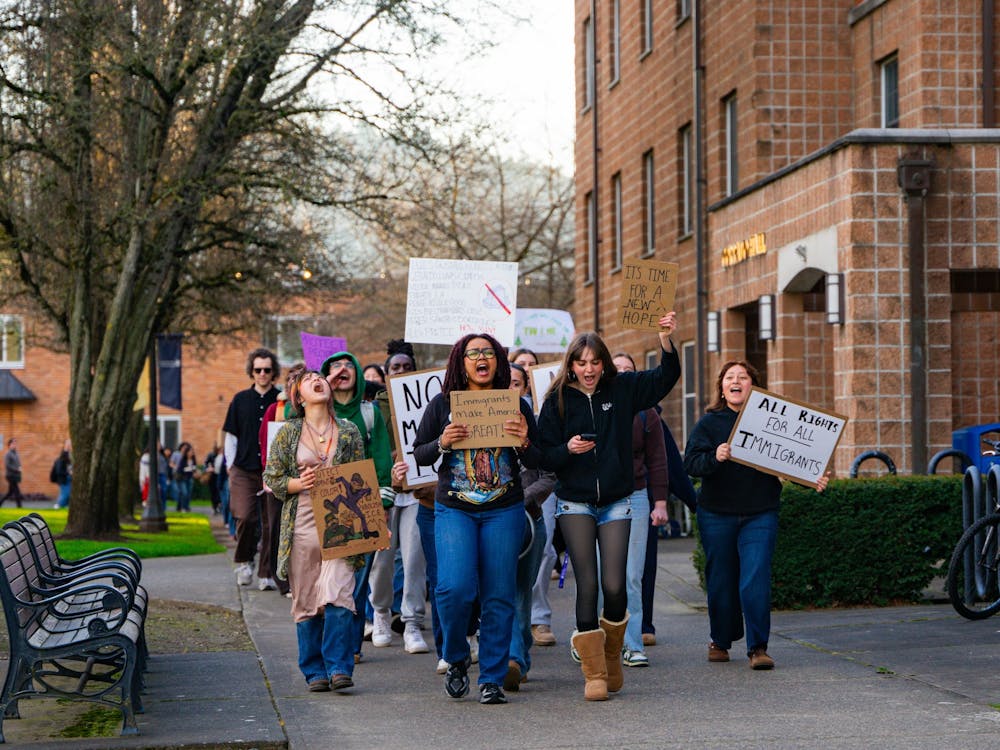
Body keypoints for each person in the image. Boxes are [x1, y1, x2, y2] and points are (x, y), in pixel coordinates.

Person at [536, 313, 679, 701]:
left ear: (603, 364)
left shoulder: (623, 390)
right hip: (574, 502)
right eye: (580, 363)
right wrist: (567, 449)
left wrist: (664, 339)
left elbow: (664, 379)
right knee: (589, 584)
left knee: (616, 587)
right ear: (571, 365)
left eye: (594, 363)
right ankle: (594, 671)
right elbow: (541, 454)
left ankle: (613, 652)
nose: (588, 370)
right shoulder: (557, 400)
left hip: (617, 500)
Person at [413, 333, 542, 705]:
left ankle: (491, 678)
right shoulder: (442, 405)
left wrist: (524, 442)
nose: (482, 358)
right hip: (455, 508)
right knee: (453, 589)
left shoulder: (515, 405)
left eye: (489, 352)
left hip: (504, 508)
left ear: (498, 362)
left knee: (499, 595)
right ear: (461, 362)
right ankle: (455, 658)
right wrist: (442, 442)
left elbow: (538, 460)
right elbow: (421, 454)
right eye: (474, 353)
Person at [683, 360, 829, 670]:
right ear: (722, 387)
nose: (736, 381)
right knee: (721, 580)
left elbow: (794, 459)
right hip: (716, 514)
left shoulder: (772, 421)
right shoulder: (708, 424)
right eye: (729, 377)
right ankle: (721, 640)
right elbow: (691, 464)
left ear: (754, 384)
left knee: (755, 579)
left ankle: (758, 647)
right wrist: (715, 456)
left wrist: (811, 478)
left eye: (743, 377)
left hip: (759, 513)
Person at [262, 369, 366, 693]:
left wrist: (373, 525)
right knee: (306, 599)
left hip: (342, 521)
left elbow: (361, 477)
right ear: (298, 396)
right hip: (303, 522)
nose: (317, 381)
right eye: (308, 380)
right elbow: (272, 478)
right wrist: (298, 482)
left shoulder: (348, 431)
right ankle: (313, 669)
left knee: (338, 591)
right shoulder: (289, 432)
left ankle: (338, 666)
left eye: (320, 377)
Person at [321, 349, 395, 661]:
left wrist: (385, 492)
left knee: (357, 577)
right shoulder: (314, 410)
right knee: (330, 578)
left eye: (346, 364)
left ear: (357, 373)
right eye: (333, 366)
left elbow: (380, 452)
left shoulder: (368, 413)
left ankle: (350, 646)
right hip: (324, 503)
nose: (341, 369)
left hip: (363, 502)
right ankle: (329, 641)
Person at [609, 352, 670, 668]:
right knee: (600, 577)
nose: (621, 373)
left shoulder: (647, 414)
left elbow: (658, 460)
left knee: (632, 576)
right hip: (598, 500)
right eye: (616, 368)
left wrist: (660, 503)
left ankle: (632, 643)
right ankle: (596, 640)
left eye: (628, 370)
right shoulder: (595, 405)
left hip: (636, 496)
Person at [505, 362, 555, 691]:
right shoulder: (478, 424)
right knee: (501, 590)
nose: (509, 389)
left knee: (522, 591)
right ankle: (510, 659)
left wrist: (522, 497)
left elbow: (550, 475)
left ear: (525, 390)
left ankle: (519, 655)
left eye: (515, 384)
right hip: (493, 518)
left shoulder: (539, 426)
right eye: (503, 383)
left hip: (530, 520)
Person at [223, 348, 281, 587]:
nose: (262, 374)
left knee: (271, 522)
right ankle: (245, 561)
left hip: (272, 470)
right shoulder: (240, 400)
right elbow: (230, 435)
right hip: (243, 468)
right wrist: (229, 465)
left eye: (267, 370)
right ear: (252, 371)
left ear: (273, 372)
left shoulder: (281, 401)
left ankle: (266, 573)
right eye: (258, 369)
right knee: (245, 516)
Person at [2, 438, 23, 507]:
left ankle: (0, 502)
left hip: (15, 475)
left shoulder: (16, 453)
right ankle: (19, 506)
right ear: (9, 445)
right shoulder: (8, 454)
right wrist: (17, 469)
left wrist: (19, 467)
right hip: (10, 476)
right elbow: (8, 465)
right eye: (13, 443)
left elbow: (18, 463)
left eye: (15, 443)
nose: (15, 445)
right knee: (17, 491)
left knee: (10, 492)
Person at [52, 439, 73, 509]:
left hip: (70, 479)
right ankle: (58, 505)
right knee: (65, 494)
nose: (69, 445)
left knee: (69, 494)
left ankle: (66, 506)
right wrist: (68, 472)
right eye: (68, 443)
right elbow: (59, 470)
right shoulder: (63, 455)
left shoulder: (71, 454)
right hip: (64, 479)